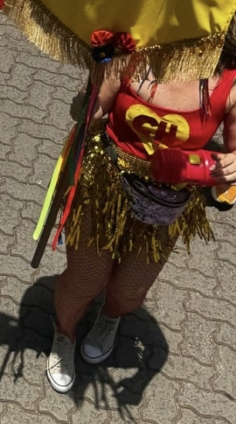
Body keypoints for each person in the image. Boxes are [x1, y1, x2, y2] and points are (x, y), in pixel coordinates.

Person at [45, 36, 236, 393]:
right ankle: (64, 333)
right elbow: (94, 112)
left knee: (131, 289)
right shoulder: (131, 54)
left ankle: (111, 317)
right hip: (106, 188)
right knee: (86, 279)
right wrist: (90, 95)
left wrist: (230, 165)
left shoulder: (231, 79)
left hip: (170, 202)